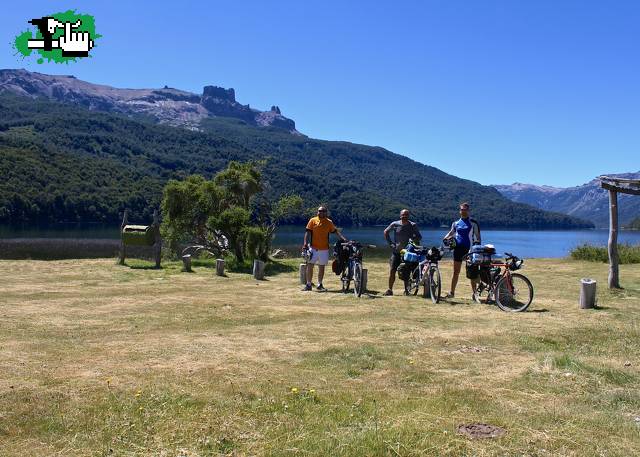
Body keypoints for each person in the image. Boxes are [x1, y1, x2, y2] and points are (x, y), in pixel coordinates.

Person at [302, 206, 348, 291]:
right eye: (320, 211)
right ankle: (308, 284)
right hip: (313, 248)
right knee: (310, 266)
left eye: (323, 211)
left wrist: (343, 239)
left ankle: (319, 284)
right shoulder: (312, 220)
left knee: (321, 267)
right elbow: (307, 232)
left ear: (326, 212)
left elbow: (335, 231)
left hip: (324, 249)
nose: (321, 212)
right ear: (317, 212)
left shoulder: (329, 222)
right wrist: (305, 243)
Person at [443, 202, 481, 301]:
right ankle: (452, 293)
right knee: (456, 272)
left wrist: (476, 249)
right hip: (458, 250)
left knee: (472, 272)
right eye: (462, 210)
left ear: (468, 211)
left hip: (469, 250)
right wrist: (446, 238)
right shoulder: (455, 223)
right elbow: (452, 232)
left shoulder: (473, 223)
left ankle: (475, 294)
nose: (463, 211)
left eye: (465, 210)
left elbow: (478, 237)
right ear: (460, 211)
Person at [383, 209, 422, 296]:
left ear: (408, 216)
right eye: (403, 215)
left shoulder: (413, 225)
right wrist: (390, 243)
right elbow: (385, 232)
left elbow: (419, 237)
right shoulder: (395, 224)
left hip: (408, 253)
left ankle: (406, 290)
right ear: (400, 215)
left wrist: (414, 239)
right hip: (396, 251)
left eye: (406, 215)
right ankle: (390, 290)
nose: (404, 216)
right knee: (392, 270)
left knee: (406, 271)